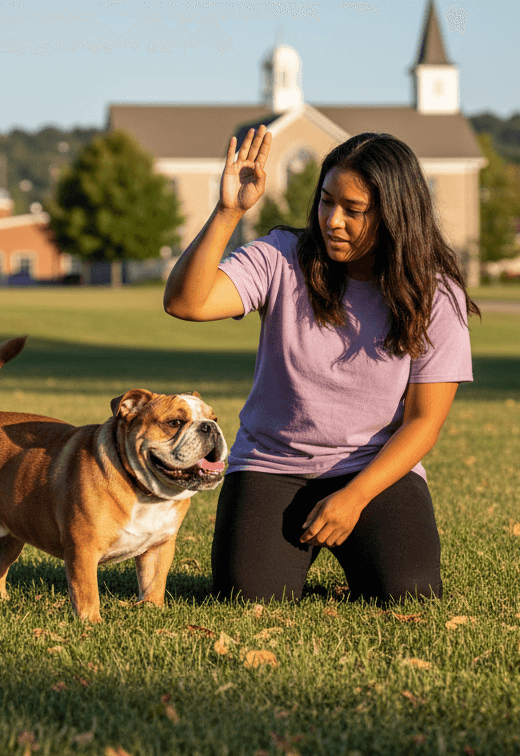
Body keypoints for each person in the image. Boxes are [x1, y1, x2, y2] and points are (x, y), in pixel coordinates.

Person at [163, 128, 477, 604]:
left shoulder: (436, 294)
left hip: (371, 469)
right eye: (327, 202)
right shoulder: (281, 257)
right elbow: (187, 302)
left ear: (395, 215)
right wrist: (229, 212)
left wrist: (354, 497)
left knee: (410, 595)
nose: (332, 220)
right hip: (272, 465)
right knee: (249, 599)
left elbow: (423, 423)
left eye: (353, 211)